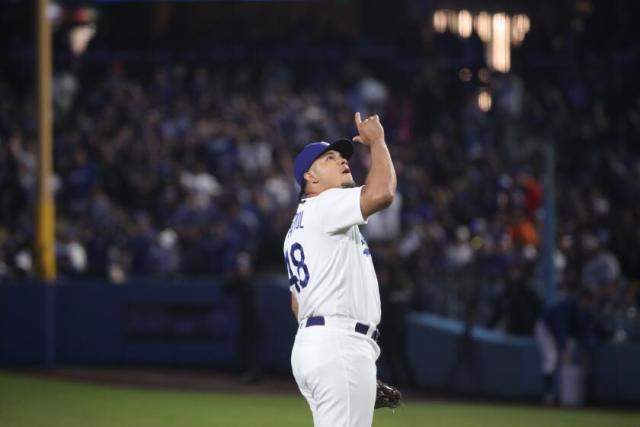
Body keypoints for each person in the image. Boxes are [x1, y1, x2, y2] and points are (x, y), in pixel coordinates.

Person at [284, 112, 396, 427]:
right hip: (338, 345)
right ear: (311, 177)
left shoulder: (298, 226)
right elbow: (382, 193)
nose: (342, 160)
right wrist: (377, 141)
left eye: (342, 156)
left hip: (317, 346)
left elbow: (297, 304)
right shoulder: (325, 205)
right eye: (329, 158)